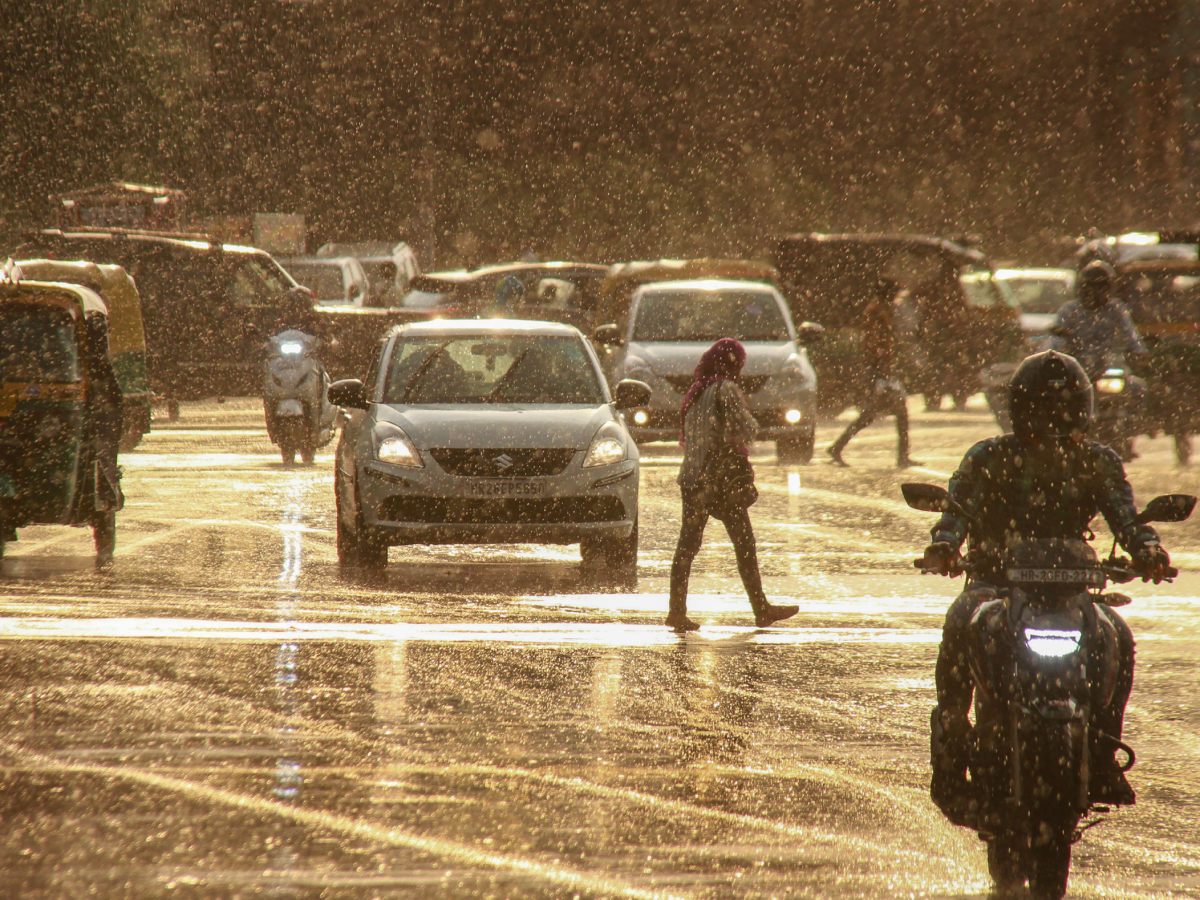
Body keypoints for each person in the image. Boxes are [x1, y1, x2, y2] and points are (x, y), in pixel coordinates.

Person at [922, 350, 1172, 824]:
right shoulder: (988, 456)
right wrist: (944, 546)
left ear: (1082, 413)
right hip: (995, 586)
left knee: (1116, 634)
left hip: (1072, 592)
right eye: (1041, 412)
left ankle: (1102, 750)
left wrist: (1148, 549)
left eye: (1062, 412)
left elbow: (1126, 516)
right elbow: (956, 511)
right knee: (961, 620)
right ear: (1020, 412)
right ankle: (952, 749)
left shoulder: (1097, 461)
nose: (1052, 425)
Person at [667, 338, 799, 632]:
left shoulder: (696, 392)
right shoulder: (726, 390)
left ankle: (676, 611)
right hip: (718, 482)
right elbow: (746, 428)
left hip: (692, 478)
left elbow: (691, 436)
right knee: (744, 545)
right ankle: (761, 608)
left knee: (687, 547)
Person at [827, 279, 920, 468]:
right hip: (878, 371)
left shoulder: (881, 310)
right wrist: (882, 369)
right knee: (894, 413)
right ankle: (902, 456)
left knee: (871, 415)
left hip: (881, 370)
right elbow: (875, 344)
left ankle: (838, 447)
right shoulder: (878, 312)